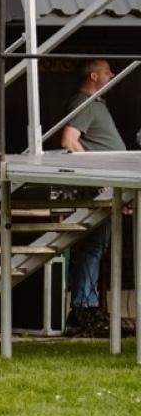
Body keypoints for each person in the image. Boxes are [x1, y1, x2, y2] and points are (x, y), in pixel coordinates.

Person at [60, 58, 125, 334]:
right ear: (94, 76)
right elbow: (68, 140)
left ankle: (89, 303)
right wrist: (95, 175)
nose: (112, 75)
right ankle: (84, 305)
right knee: (94, 246)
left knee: (99, 246)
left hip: (112, 185)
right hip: (100, 186)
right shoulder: (83, 103)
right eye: (108, 71)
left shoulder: (96, 104)